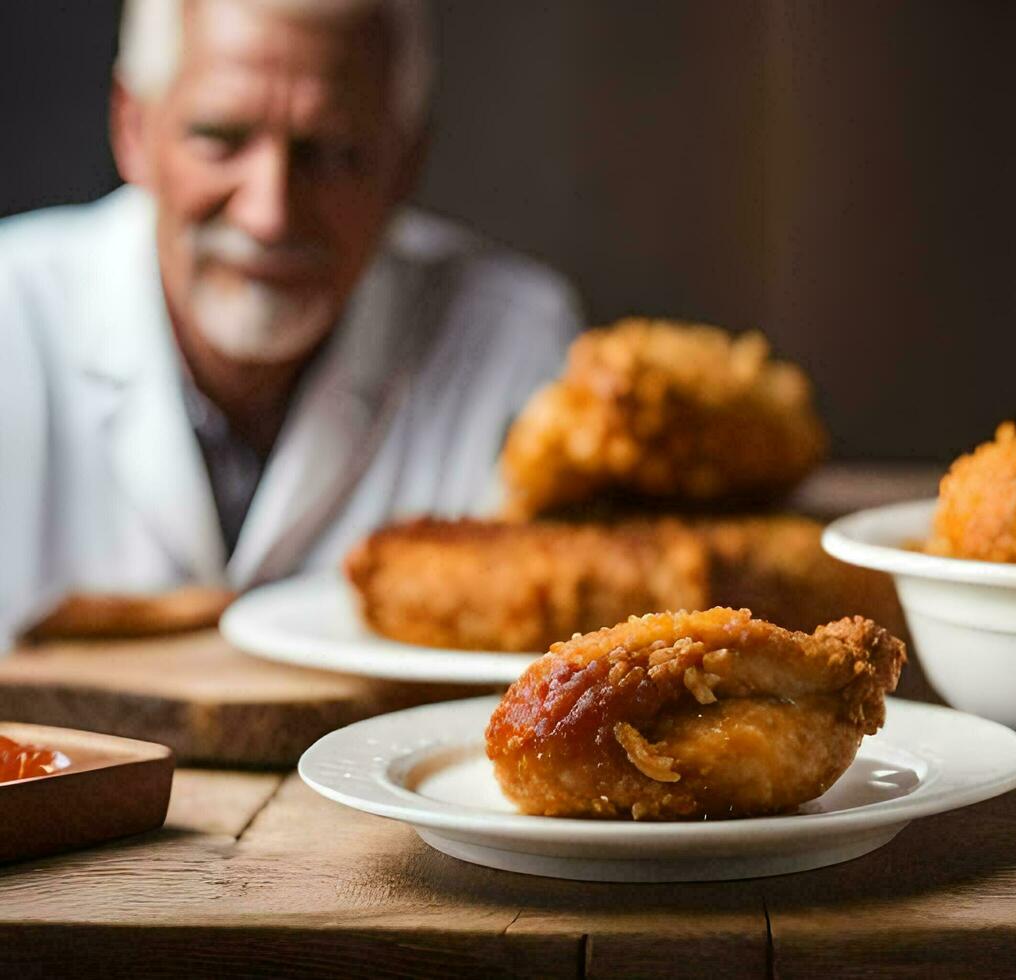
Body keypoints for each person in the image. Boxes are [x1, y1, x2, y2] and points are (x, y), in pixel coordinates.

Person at [0, 0, 582, 647]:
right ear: (133, 129)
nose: (269, 214)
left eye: (331, 154)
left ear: (405, 165)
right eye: (220, 138)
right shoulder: (12, 318)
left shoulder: (517, 345)